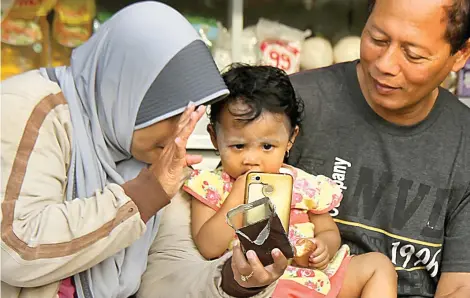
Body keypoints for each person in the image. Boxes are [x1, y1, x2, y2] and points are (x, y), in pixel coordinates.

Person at [0, 2, 287, 298]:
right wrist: (143, 196)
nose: (181, 131)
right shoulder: (29, 107)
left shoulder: (150, 159)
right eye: (171, 111)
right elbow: (14, 249)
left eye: (190, 115)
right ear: (129, 90)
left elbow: (166, 275)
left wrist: (235, 280)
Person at [287, 0, 470, 297]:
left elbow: (461, 285)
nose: (384, 65)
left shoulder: (464, 143)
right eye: (377, 39)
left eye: (413, 55)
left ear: (460, 55)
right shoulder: (291, 105)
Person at [182, 64, 397, 298]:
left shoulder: (303, 185)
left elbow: (328, 230)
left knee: (378, 265)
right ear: (215, 138)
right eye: (238, 146)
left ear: (290, 139)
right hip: (261, 285)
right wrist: (237, 198)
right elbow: (207, 247)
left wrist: (323, 246)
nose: (251, 159)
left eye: (267, 146)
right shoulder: (211, 186)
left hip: (313, 277)